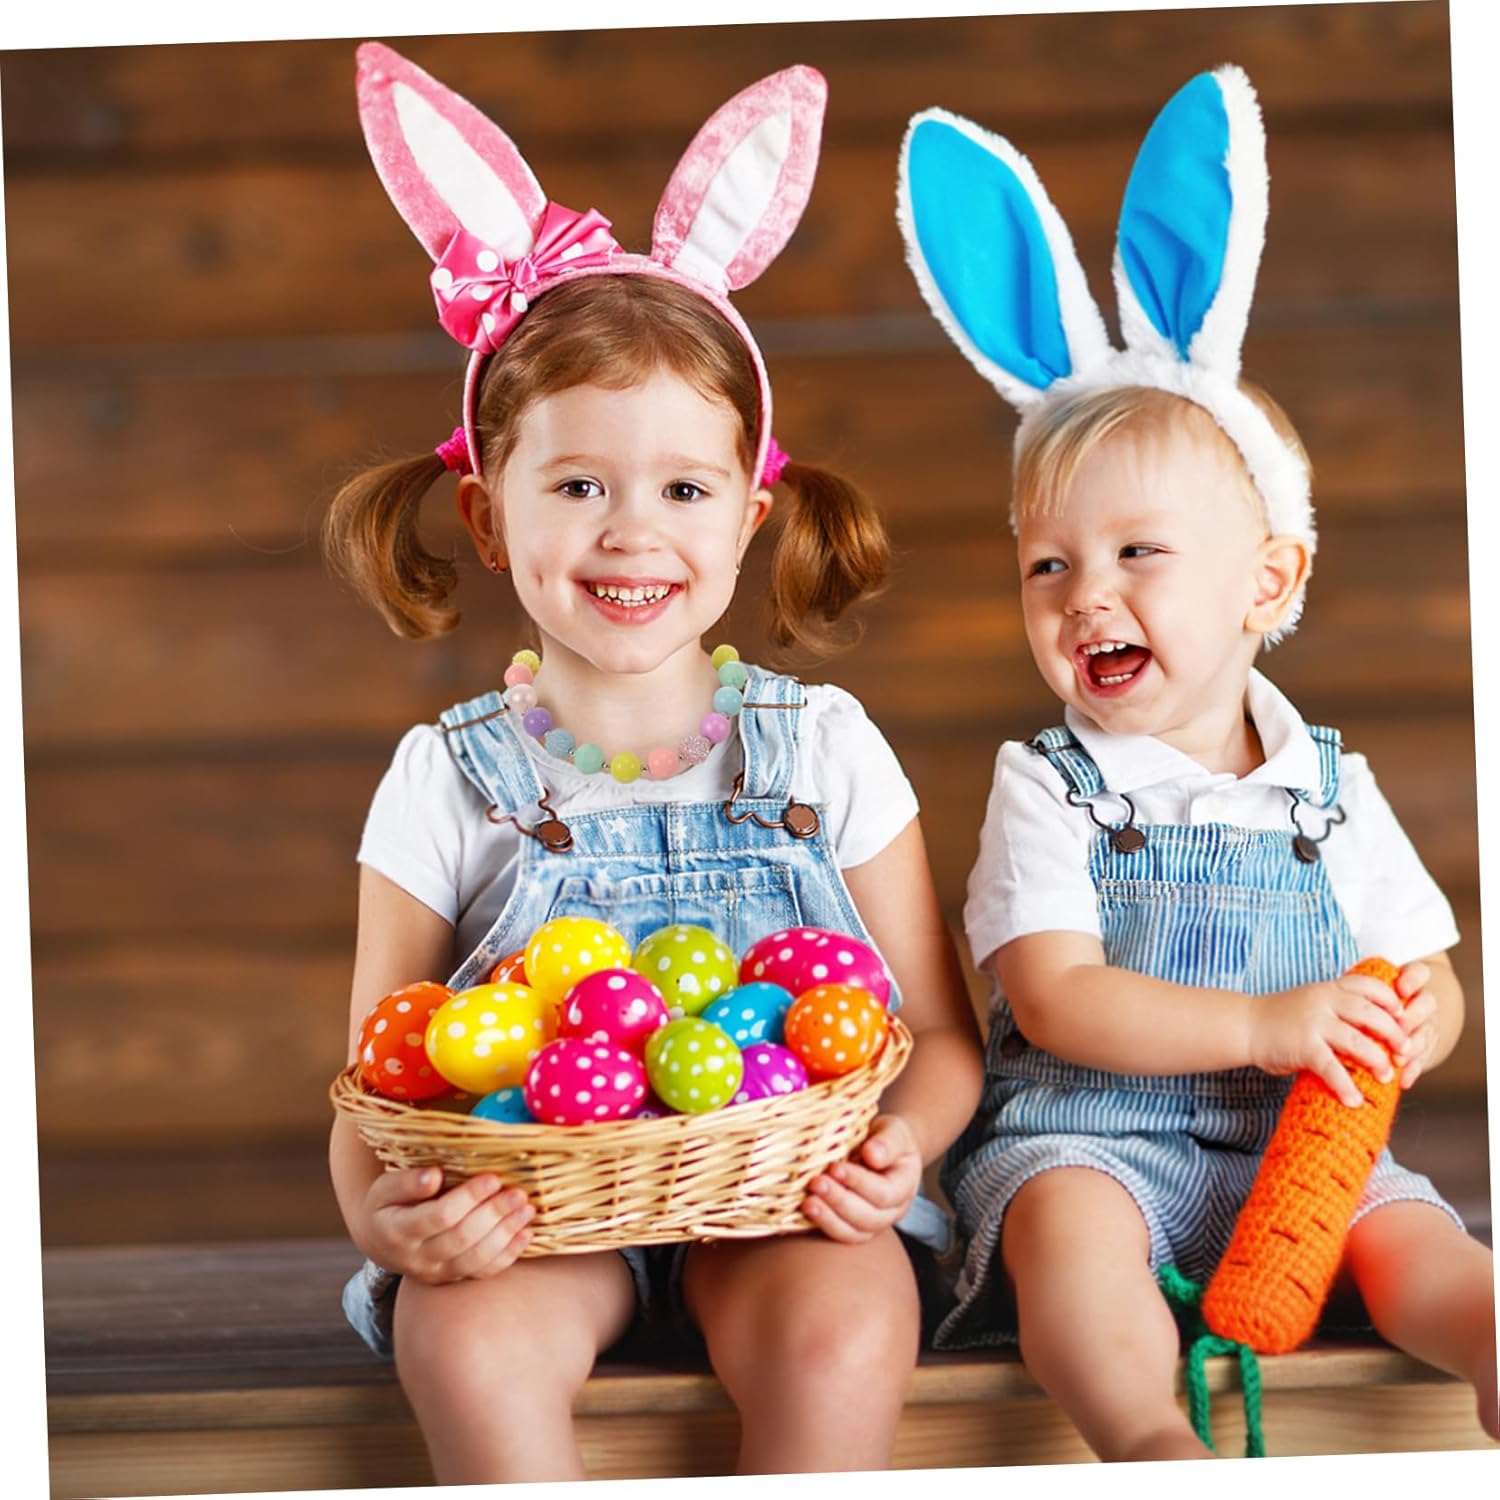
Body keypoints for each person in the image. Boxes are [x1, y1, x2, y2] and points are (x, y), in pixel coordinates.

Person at [324, 43, 983, 1483]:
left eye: (685, 487)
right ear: (487, 517)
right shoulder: (446, 777)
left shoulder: (824, 747)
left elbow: (938, 1037)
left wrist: (900, 1148)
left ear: (747, 516)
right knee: (464, 1337)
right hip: (540, 1215)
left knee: (843, 1328)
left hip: (786, 1203)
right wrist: (390, 1217)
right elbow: (379, 1074)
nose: (633, 531)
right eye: (577, 484)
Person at [897, 66, 1497, 1459]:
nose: (1085, 596)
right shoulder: (1051, 783)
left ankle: (1488, 1347)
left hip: (1298, 1151)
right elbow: (1057, 999)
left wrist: (1420, 1019)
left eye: (1137, 554)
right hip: (1096, 1138)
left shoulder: (1328, 787)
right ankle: (1147, 1441)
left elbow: (1426, 972)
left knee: (1420, 1242)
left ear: (1265, 580)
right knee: (1068, 1239)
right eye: (1049, 566)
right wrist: (1266, 1026)